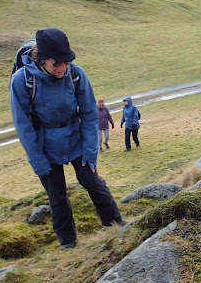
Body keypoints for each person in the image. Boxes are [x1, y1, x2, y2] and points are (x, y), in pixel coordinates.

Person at [9, 27, 125, 249]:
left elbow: (89, 113)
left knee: (92, 182)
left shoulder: (75, 74)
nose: (63, 68)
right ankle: (67, 243)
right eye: (56, 63)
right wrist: (38, 160)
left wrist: (90, 151)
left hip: (75, 139)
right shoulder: (21, 81)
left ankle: (115, 224)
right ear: (42, 60)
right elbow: (23, 126)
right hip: (44, 146)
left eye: (66, 62)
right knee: (56, 195)